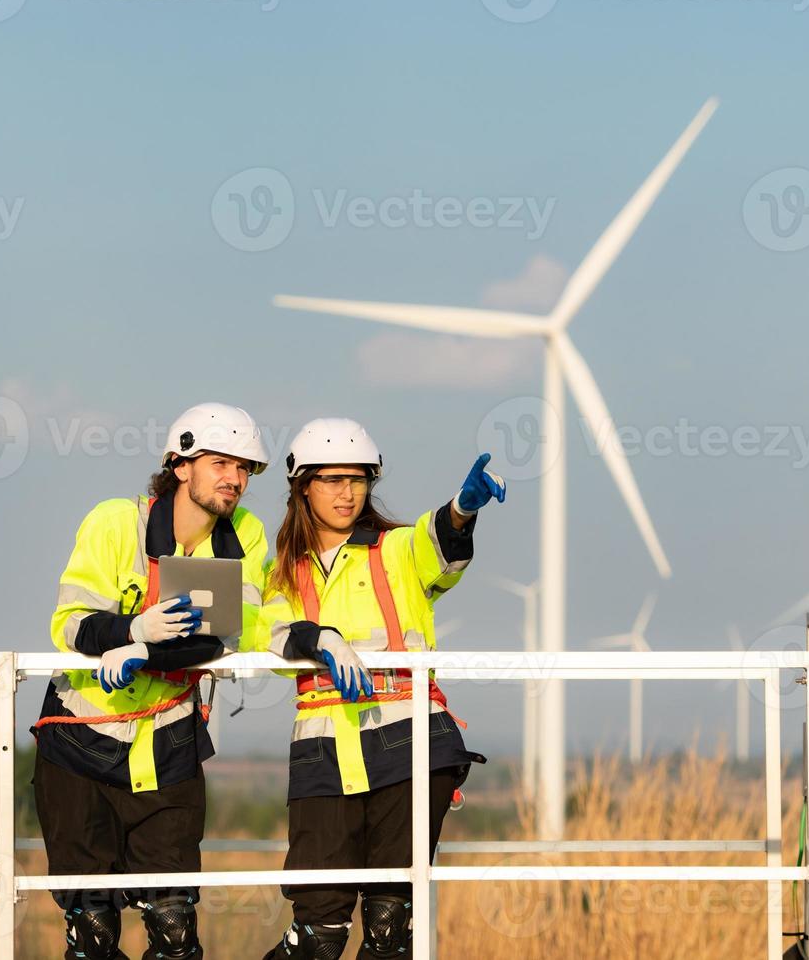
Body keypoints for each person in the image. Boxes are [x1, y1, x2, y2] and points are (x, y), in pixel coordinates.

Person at [251, 417, 504, 959]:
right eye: (332, 479)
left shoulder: (395, 548)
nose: (347, 492)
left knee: (390, 931)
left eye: (359, 479)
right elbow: (265, 633)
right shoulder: (282, 572)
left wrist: (462, 510)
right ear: (302, 486)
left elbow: (440, 546)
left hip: (409, 741)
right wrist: (320, 638)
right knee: (317, 937)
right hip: (324, 751)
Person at [30, 402, 270, 960]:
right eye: (220, 463)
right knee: (92, 936)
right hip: (78, 746)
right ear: (180, 465)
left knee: (176, 932)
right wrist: (128, 628)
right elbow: (70, 625)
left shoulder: (247, 535)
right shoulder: (117, 520)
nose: (234, 479)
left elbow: (227, 634)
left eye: (243, 468)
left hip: (169, 745)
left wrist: (144, 649)